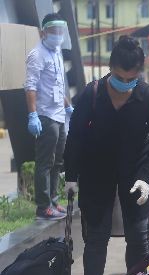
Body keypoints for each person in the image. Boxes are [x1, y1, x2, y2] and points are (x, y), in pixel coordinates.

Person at [63, 36, 149, 275]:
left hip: (136, 174)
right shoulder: (92, 93)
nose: (125, 83)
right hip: (96, 173)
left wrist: (147, 176)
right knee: (95, 239)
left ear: (139, 75)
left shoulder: (148, 98)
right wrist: (70, 175)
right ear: (110, 69)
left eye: (131, 78)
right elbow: (75, 137)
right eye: (120, 77)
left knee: (138, 239)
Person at [24, 13, 71, 221]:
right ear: (43, 32)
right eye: (54, 31)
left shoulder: (57, 51)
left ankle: (53, 200)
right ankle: (43, 206)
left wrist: (69, 107)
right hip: (45, 115)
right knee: (45, 161)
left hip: (60, 115)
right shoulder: (37, 54)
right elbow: (30, 86)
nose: (58, 35)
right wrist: (32, 114)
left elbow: (58, 86)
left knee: (58, 161)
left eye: (60, 31)